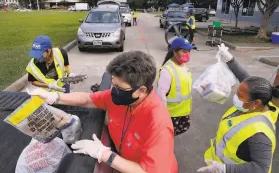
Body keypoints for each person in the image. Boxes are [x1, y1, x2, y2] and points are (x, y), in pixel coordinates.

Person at [28, 51, 178, 173]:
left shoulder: (158, 124)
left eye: (120, 88)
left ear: (141, 90)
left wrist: (105, 155)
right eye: (113, 84)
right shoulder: (122, 98)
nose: (114, 91)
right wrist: (55, 97)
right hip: (125, 161)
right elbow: (87, 99)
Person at [197, 44, 279, 173]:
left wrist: (223, 169)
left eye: (239, 95)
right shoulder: (259, 102)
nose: (235, 97)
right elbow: (245, 78)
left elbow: (261, 168)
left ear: (256, 103)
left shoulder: (259, 134)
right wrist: (230, 59)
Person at [156, 37, 194, 136]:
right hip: (172, 114)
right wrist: (163, 115)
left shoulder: (183, 65)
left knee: (179, 131)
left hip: (183, 111)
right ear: (174, 52)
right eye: (184, 51)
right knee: (167, 136)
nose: (187, 54)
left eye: (189, 51)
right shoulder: (167, 70)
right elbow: (161, 94)